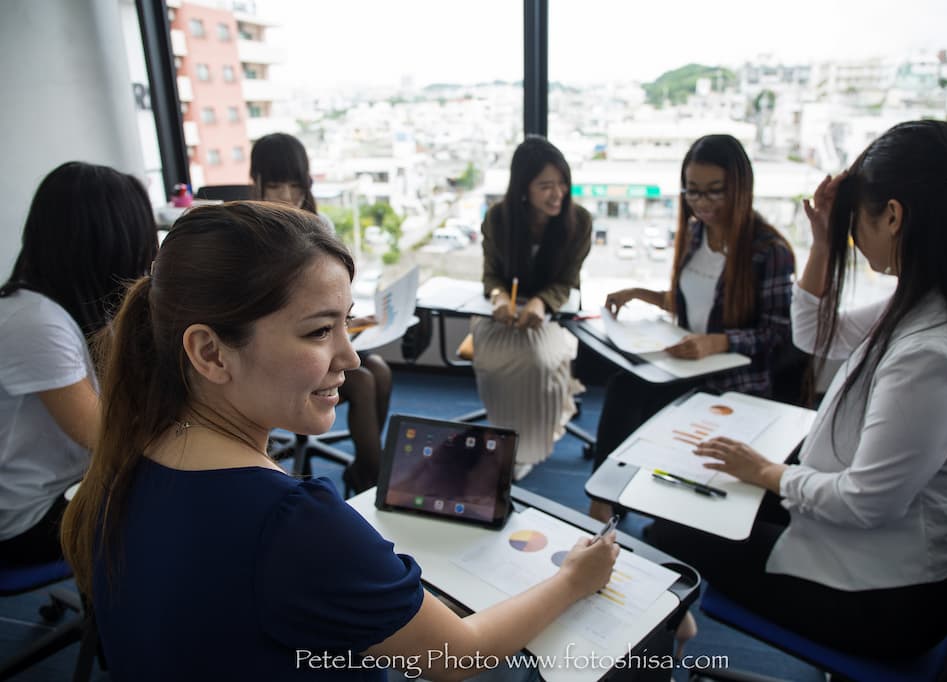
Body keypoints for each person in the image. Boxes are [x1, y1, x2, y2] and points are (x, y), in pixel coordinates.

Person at [60, 202, 619, 680]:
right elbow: (459, 656)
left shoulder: (126, 465)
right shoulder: (290, 521)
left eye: (346, 324)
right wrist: (574, 579)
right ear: (210, 353)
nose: (350, 359)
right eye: (319, 331)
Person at [647, 120, 947, 659]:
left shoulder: (933, 354)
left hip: (878, 599)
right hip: (870, 553)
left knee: (669, 535)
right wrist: (822, 242)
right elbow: (813, 334)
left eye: (855, 223)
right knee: (712, 503)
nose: (853, 237)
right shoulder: (933, 298)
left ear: (893, 216)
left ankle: (660, 645)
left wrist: (765, 473)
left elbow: (865, 503)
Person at [590, 134, 795, 520]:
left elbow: (778, 332)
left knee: (630, 397)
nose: (702, 204)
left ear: (739, 188)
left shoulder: (770, 251)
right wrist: (640, 293)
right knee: (624, 386)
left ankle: (608, 503)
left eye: (715, 192)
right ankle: (604, 501)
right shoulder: (697, 233)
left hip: (734, 381)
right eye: (693, 192)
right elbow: (695, 302)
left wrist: (716, 343)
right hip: (687, 368)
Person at [0, 161, 157, 564]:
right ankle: (107, 625)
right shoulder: (36, 323)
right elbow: (107, 437)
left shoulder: (62, 309)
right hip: (27, 515)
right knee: (179, 508)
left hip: (65, 484)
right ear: (109, 243)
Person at [251, 132, 391, 492]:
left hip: (318, 339)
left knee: (379, 370)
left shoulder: (317, 229)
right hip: (277, 352)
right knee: (361, 382)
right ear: (257, 182)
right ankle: (371, 479)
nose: (285, 197)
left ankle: (365, 465)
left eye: (294, 185)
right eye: (275, 185)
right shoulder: (248, 237)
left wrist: (350, 321)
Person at [474, 136, 592, 480]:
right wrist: (498, 296)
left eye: (562, 184)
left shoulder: (579, 221)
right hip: (504, 315)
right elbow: (491, 274)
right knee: (493, 361)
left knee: (537, 362)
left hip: (553, 314)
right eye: (546, 186)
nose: (558, 194)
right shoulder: (498, 218)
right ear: (524, 188)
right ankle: (506, 433)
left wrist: (541, 302)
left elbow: (568, 280)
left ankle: (527, 446)